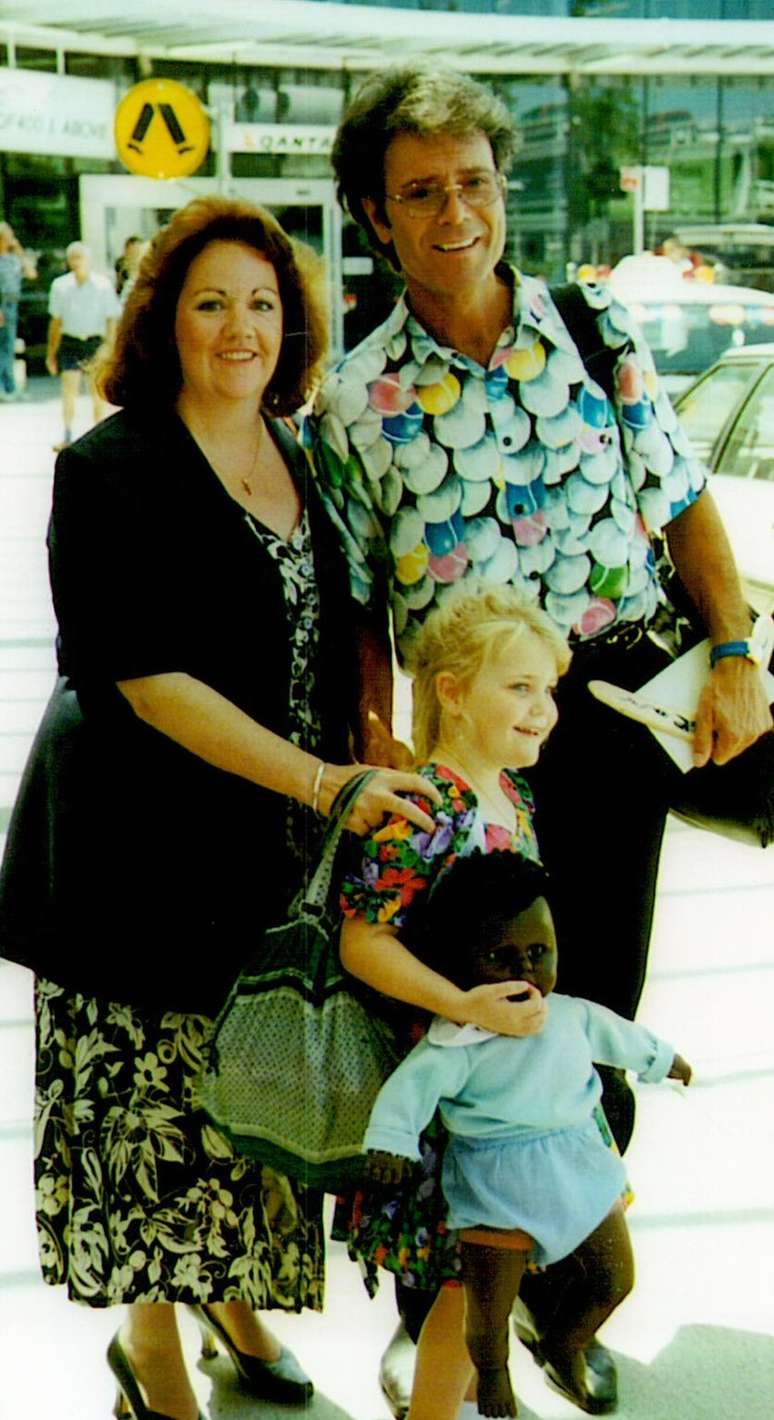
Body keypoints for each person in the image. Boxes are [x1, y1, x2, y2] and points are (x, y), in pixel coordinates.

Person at [306, 63, 772, 1411]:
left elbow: (682, 505)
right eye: (418, 192)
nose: (453, 210)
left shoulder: (590, 326)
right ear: (376, 219)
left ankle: (567, 1305)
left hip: (611, 726)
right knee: (458, 1036)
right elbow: (357, 606)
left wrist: (733, 652)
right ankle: (437, 1324)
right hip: (469, 776)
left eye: (472, 181)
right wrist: (375, 745)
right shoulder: (353, 401)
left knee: (586, 1017)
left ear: (500, 190)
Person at [0, 194, 444, 1420]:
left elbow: (343, 620)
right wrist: (327, 783)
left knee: (247, 1093)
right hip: (128, 850)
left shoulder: (303, 455)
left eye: (262, 303)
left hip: (267, 844)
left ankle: (230, 1301)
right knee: (147, 1104)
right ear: (164, 320)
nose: (239, 327)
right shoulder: (108, 468)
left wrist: (369, 736)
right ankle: (152, 1355)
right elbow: (141, 679)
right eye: (211, 304)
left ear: (291, 326)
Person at [335, 583, 572, 1420]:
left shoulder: (516, 799)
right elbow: (363, 941)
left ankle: (459, 1403)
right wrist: (468, 1008)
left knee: (490, 1282)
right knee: (461, 1290)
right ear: (451, 691)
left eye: (548, 690)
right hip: (447, 1103)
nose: (542, 708)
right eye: (519, 687)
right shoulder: (427, 808)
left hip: (509, 1092)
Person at [365, 851, 692, 1418]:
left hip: (578, 1165)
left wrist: (664, 1059)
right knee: (485, 1318)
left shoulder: (570, 1015)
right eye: (499, 958)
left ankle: (563, 1341)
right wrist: (391, 1142)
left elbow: (621, 1037)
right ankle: (493, 1375)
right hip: (496, 1185)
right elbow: (407, 1092)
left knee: (614, 1278)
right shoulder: (456, 1041)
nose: (524, 971)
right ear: (460, 966)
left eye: (539, 953)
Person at [45, 240, 121, 450]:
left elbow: (112, 318)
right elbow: (56, 322)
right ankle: (68, 435)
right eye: (73, 258)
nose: (77, 262)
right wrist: (51, 353)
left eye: (81, 257)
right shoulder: (60, 286)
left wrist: (110, 346)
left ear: (89, 260)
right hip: (70, 341)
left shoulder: (103, 285)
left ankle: (99, 438)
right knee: (69, 389)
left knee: (97, 392)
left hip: (95, 342)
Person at [0, 220, 36, 400]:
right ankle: (4, 387)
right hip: (2, 303)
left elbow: (31, 273)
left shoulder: (13, 259)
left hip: (12, 304)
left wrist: (19, 250)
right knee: (3, 347)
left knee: (8, 346)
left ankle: (9, 386)